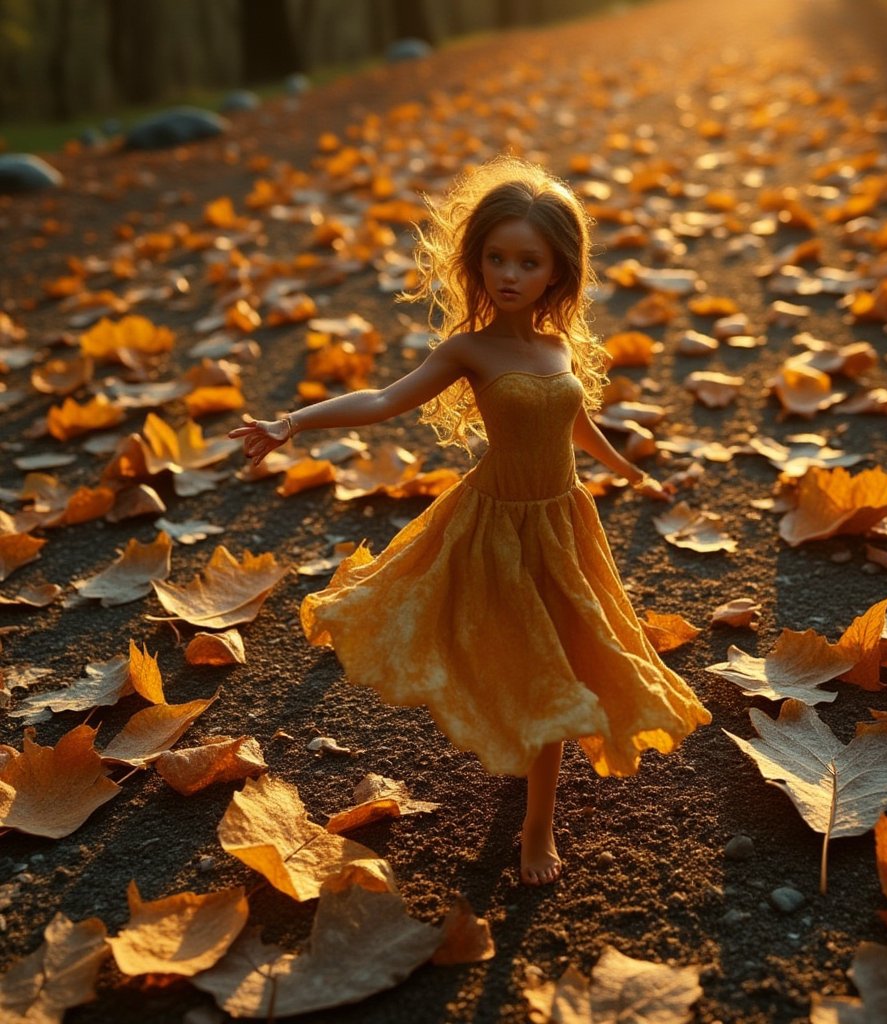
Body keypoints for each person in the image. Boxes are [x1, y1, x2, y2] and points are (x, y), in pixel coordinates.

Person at [229, 155, 712, 885]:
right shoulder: (469, 349)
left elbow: (578, 425)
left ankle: (537, 823)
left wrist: (632, 473)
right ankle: (526, 792)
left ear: (558, 272)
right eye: (496, 258)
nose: (509, 275)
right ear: (475, 261)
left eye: (528, 261)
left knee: (561, 661)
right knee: (527, 658)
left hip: (564, 524)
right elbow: (384, 401)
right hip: (495, 528)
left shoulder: (555, 348)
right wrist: (292, 423)